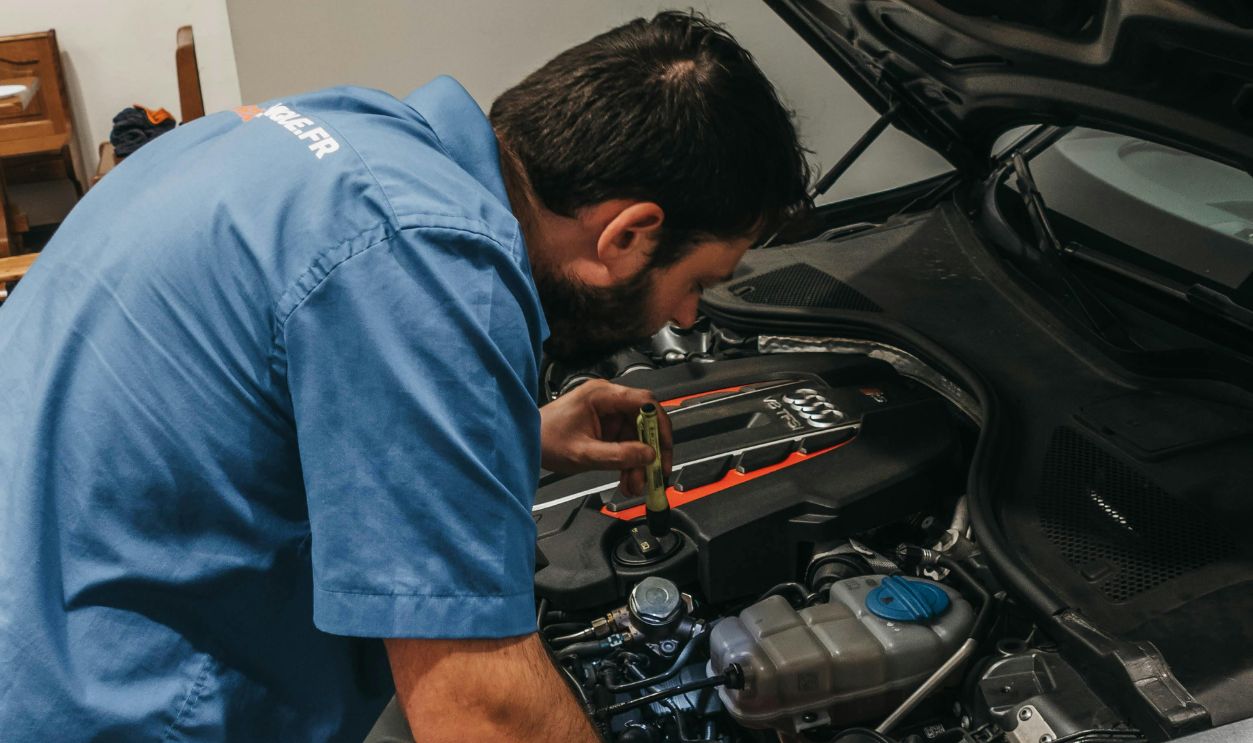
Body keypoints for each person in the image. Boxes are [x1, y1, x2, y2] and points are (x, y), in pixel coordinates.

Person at [0, 11, 809, 742]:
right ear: (628, 236)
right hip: (104, 708)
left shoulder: (320, 129)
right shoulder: (427, 261)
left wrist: (510, 439)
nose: (691, 319)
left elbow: (237, 425)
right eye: (699, 282)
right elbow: (484, 715)